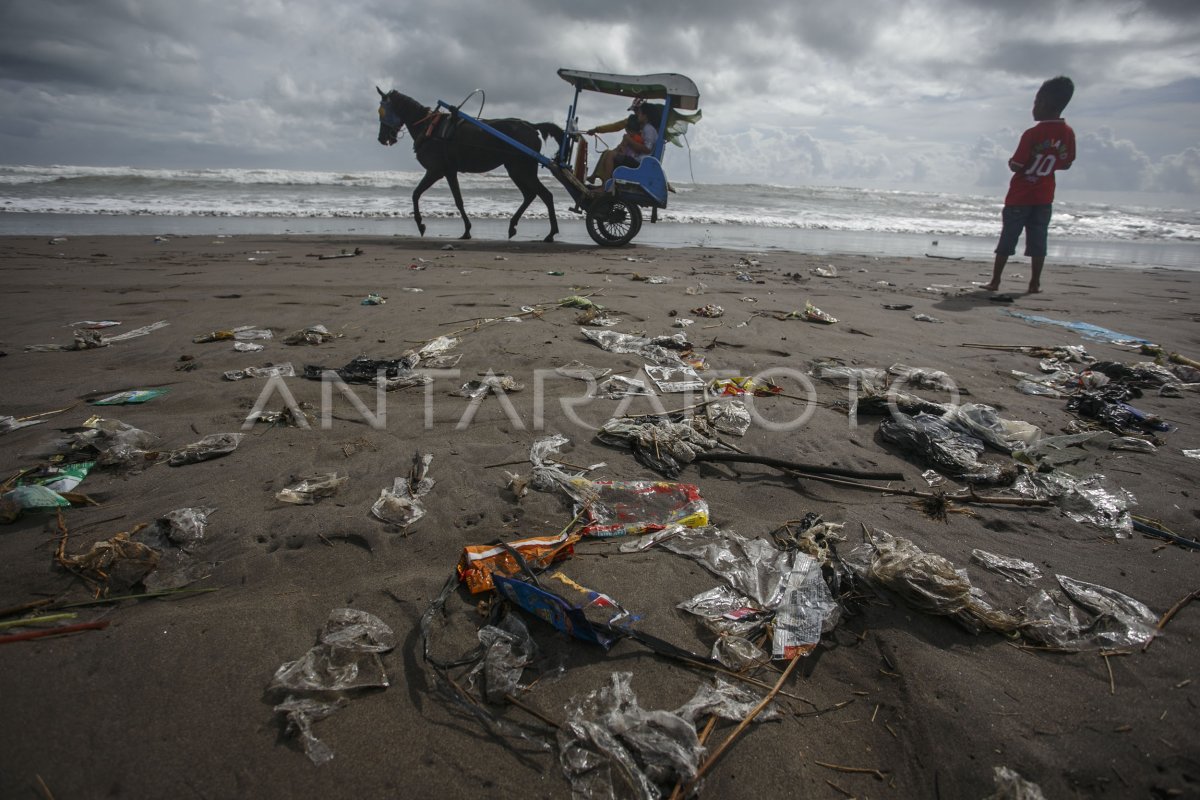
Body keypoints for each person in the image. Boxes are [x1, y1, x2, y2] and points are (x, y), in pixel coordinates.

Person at [984, 76, 1076, 294]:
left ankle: (995, 281)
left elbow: (1017, 164)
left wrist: (1012, 163)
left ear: (1044, 103)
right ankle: (1034, 283)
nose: (1033, 108)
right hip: (1044, 197)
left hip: (1020, 196)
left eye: (1036, 102)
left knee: (1008, 238)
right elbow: (1066, 163)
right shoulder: (1068, 133)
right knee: (1038, 241)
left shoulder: (1033, 133)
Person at [585, 100, 659, 186]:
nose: (636, 113)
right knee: (608, 153)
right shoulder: (640, 124)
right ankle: (602, 182)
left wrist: (628, 140)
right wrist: (597, 130)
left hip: (638, 160)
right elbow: (616, 127)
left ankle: (606, 186)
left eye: (637, 111)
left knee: (610, 154)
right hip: (635, 156)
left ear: (644, 114)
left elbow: (646, 148)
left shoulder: (647, 128)